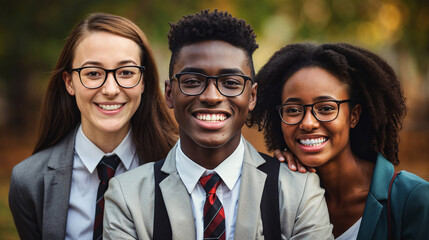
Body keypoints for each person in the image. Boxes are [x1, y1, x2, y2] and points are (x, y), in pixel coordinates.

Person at [103, 10, 333, 240]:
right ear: (169, 93)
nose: (212, 97)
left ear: (252, 96)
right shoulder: (127, 196)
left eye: (231, 82)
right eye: (192, 81)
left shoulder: (298, 191)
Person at [9, 13, 178, 240]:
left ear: (144, 81)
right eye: (93, 73)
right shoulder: (29, 181)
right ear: (70, 82)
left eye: (126, 72)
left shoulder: (179, 165)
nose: (110, 89)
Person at [250, 42, 429, 239]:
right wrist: (280, 174)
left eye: (326, 108)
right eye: (293, 110)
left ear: (354, 115)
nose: (308, 123)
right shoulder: (275, 194)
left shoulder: (413, 200)